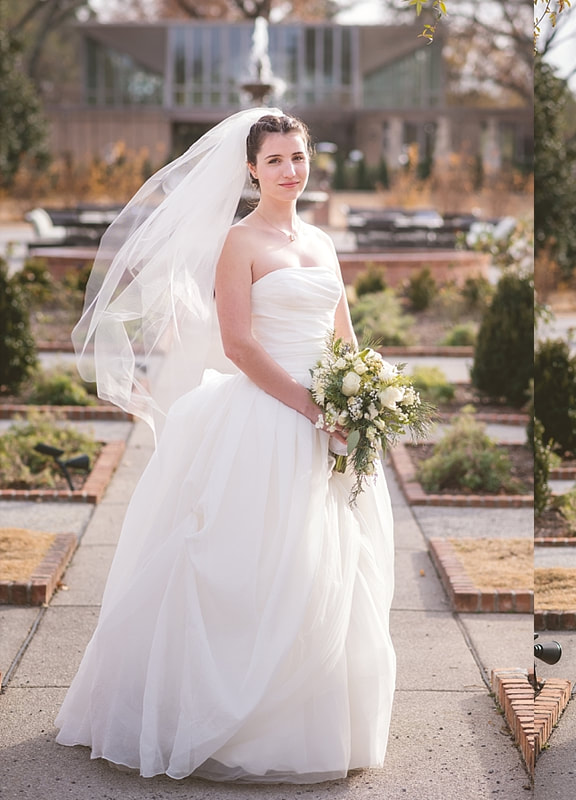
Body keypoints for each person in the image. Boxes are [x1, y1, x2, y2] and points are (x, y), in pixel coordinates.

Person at [56, 109, 395, 782]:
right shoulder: (238, 243)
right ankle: (229, 723)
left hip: (331, 416)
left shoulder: (323, 242)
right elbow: (239, 345)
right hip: (268, 417)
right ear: (251, 169)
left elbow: (343, 338)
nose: (289, 171)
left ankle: (317, 726)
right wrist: (311, 409)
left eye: (297, 158)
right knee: (255, 562)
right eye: (274, 161)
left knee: (327, 563)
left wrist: (361, 407)